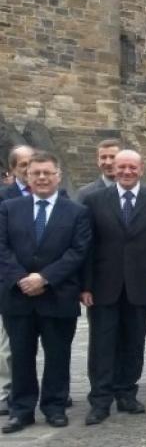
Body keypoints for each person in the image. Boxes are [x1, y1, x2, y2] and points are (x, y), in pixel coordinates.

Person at [81, 149, 146, 425]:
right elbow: (87, 247)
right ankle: (100, 400)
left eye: (132, 167)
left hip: (141, 285)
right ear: (113, 168)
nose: (126, 172)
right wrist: (85, 286)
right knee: (102, 345)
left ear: (141, 169)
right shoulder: (94, 200)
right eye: (121, 166)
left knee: (134, 343)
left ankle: (126, 393)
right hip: (103, 286)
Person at [0, 152, 91, 433]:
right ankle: (21, 410)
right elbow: (2, 248)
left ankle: (54, 407)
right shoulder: (9, 208)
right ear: (26, 176)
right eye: (36, 173)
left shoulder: (76, 211)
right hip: (18, 296)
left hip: (58, 295)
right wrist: (21, 279)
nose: (41, 177)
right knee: (20, 356)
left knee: (58, 356)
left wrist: (45, 278)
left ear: (57, 176)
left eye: (47, 173)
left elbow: (78, 251)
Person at [0, 145, 35, 416]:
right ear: (12, 169)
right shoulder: (4, 198)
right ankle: (6, 392)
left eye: (32, 163)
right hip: (11, 283)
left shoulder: (56, 195)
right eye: (23, 165)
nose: (29, 169)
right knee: (8, 345)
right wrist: (20, 277)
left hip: (45, 283)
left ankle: (47, 391)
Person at [75, 139, 121, 203]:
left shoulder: (133, 191)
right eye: (103, 157)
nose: (108, 162)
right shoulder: (86, 194)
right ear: (98, 161)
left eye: (113, 157)